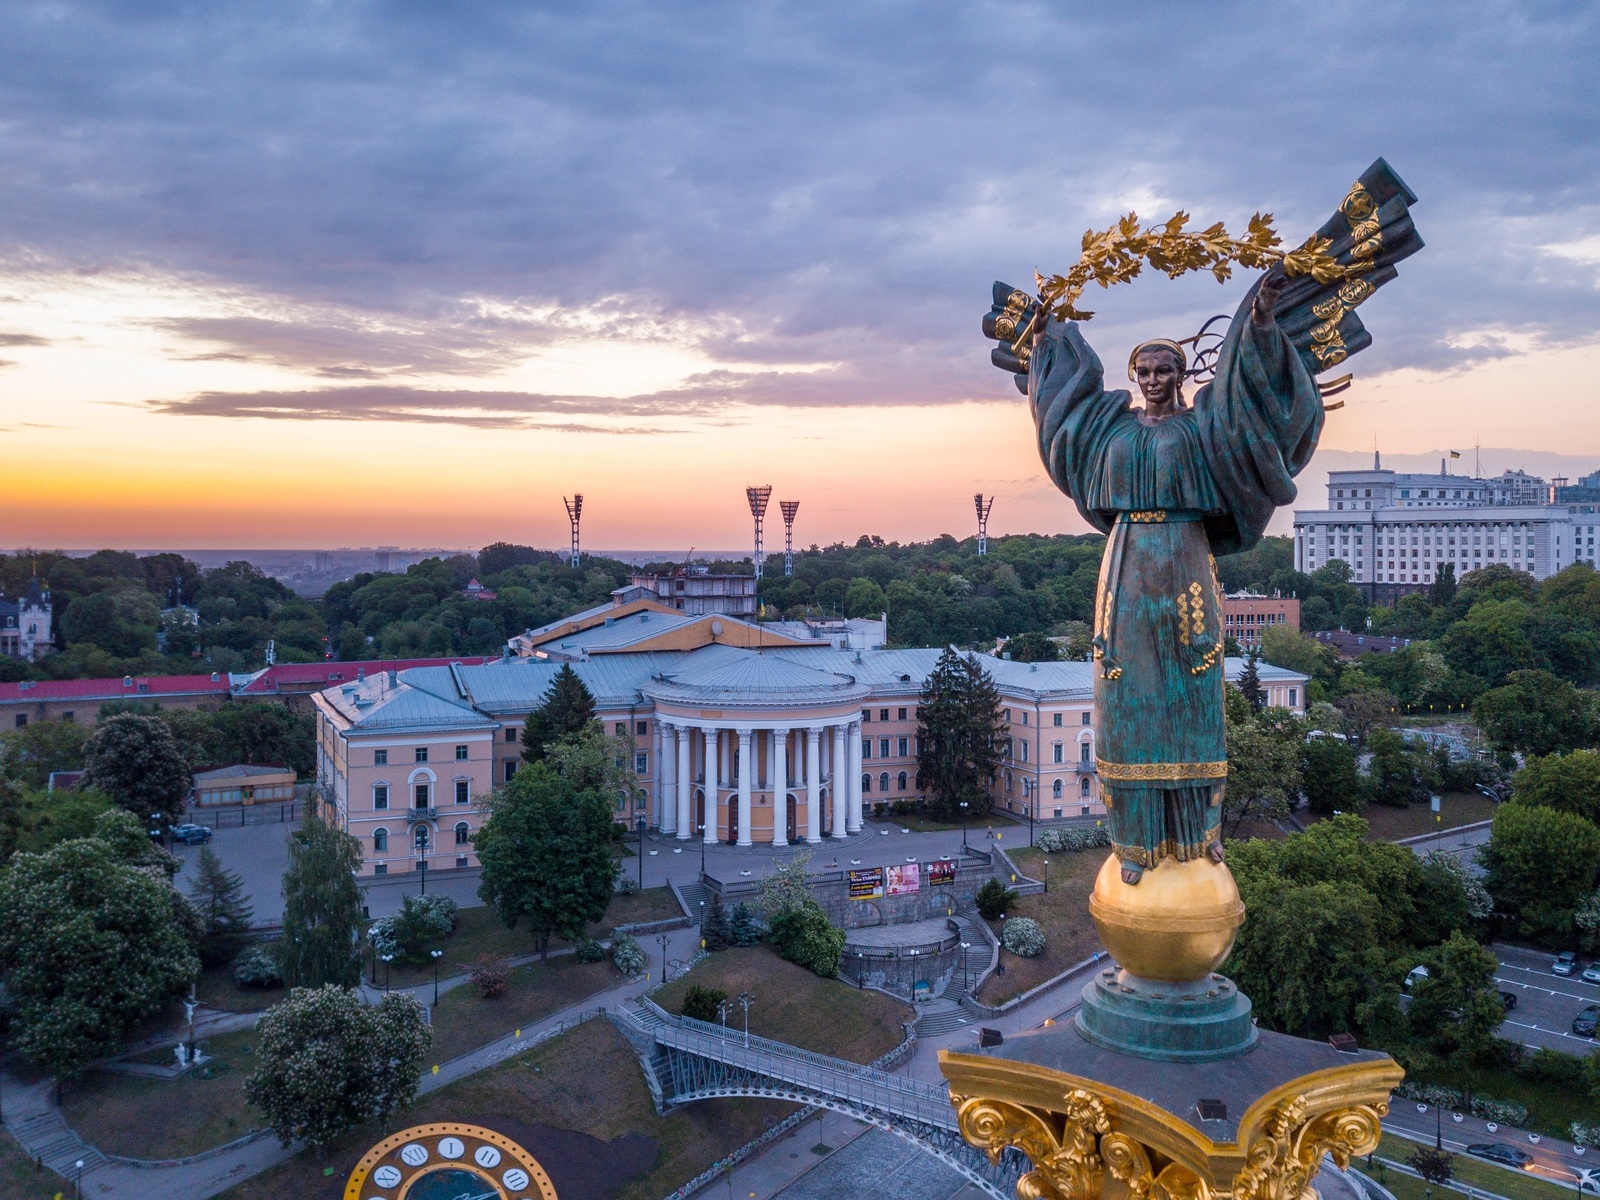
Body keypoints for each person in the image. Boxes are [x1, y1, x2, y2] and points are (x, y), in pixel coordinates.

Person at [984, 162, 1421, 884]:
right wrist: (1046, 334)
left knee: (1191, 692)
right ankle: (1133, 843)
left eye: (1165, 370)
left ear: (1182, 376)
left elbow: (1252, 397)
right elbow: (1063, 406)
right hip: (1126, 568)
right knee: (1127, 695)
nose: (1155, 380)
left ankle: (1198, 834)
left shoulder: (1204, 433)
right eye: (1144, 371)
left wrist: (1260, 321)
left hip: (1186, 562)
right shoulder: (1109, 435)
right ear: (1134, 378)